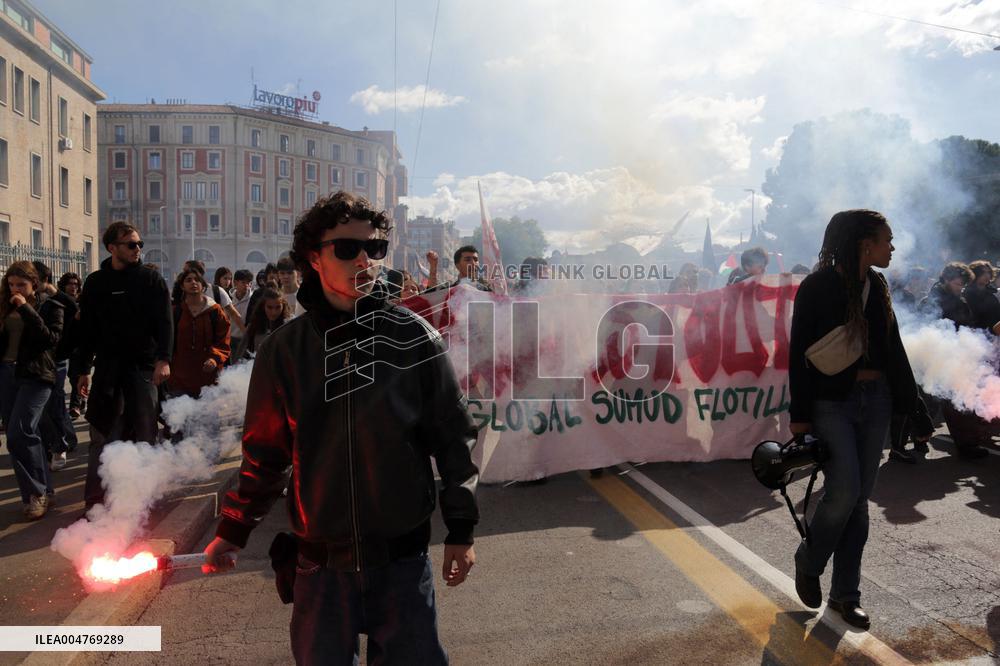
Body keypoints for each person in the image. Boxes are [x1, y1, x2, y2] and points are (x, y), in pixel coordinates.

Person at [203, 191, 479, 665]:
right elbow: (265, 454)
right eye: (348, 248)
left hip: (402, 565)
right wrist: (233, 527)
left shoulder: (415, 336)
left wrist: (462, 528)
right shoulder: (284, 351)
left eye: (374, 249)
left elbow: (453, 437)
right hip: (320, 569)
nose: (365, 260)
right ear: (314, 256)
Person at [788, 209, 933, 629]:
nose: (892, 247)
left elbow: (894, 348)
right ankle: (809, 560)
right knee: (845, 490)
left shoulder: (879, 284)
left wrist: (915, 407)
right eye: (886, 239)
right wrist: (800, 418)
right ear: (863, 243)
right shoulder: (816, 286)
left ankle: (845, 595)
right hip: (832, 403)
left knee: (858, 501)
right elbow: (799, 353)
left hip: (879, 400)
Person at [76, 222, 172, 510]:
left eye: (139, 244)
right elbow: (88, 331)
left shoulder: (151, 280)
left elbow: (165, 323)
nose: (137, 249)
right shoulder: (95, 282)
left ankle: (144, 497)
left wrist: (164, 360)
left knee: (145, 432)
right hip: (107, 369)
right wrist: (82, 369)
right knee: (102, 432)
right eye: (131, 244)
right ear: (112, 248)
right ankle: (96, 499)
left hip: (144, 367)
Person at [0, 261, 64, 519]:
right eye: (11, 284)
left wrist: (25, 308)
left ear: (34, 284)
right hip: (6, 373)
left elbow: (50, 339)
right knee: (23, 438)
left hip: (37, 375)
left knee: (19, 432)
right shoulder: (2, 306)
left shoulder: (50, 306)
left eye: (21, 285)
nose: (15, 289)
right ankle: (40, 492)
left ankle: (36, 494)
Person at [920, 262, 993, 459]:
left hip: (957, 356)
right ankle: (914, 438)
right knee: (930, 402)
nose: (959, 287)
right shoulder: (932, 301)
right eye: (956, 283)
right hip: (940, 357)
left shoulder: (959, 301)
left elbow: (968, 327)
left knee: (956, 402)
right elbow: (927, 329)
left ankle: (967, 444)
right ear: (945, 279)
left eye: (962, 284)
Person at [33, 263, 78, 470]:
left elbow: (76, 310)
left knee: (55, 404)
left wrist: (55, 292)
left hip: (58, 359)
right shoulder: (29, 300)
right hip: (34, 362)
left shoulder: (56, 301)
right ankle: (64, 439)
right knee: (45, 408)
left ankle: (62, 443)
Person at [167, 268, 231, 398]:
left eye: (197, 280)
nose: (193, 283)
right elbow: (167, 341)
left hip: (208, 379)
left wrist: (214, 358)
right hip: (180, 378)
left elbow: (223, 340)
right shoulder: (175, 311)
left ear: (203, 286)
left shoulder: (215, 311)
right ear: (182, 286)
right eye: (188, 280)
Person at [233, 287, 292, 360]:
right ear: (263, 306)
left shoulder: (289, 326)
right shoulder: (254, 326)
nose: (274, 312)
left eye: (278, 307)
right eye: (269, 308)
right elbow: (241, 354)